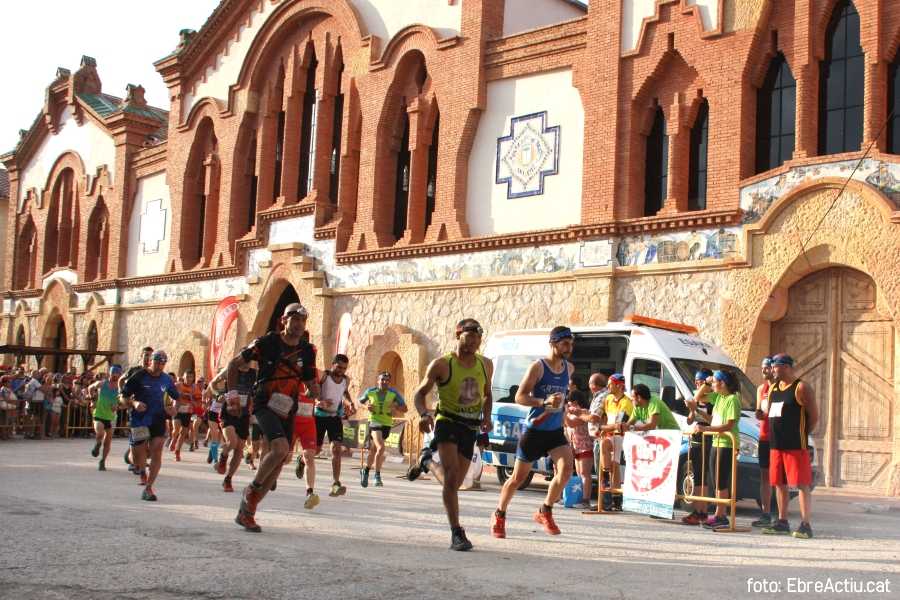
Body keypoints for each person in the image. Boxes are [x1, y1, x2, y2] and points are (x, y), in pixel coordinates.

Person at [229, 302, 319, 532]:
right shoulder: (266, 343)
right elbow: (234, 365)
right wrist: (232, 398)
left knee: (280, 463)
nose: (298, 324)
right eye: (294, 319)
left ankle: (247, 512)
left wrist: (315, 390)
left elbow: (310, 381)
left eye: (302, 320)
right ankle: (251, 489)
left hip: (288, 408)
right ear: (284, 320)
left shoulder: (308, 351)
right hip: (264, 403)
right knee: (278, 449)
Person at [409, 318, 493, 551]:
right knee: (452, 474)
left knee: (455, 483)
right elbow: (420, 393)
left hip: (470, 426)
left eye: (477, 337)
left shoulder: (486, 364)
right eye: (469, 337)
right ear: (458, 336)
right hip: (447, 421)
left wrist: (487, 417)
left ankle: (427, 459)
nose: (474, 342)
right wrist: (424, 413)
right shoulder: (442, 364)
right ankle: (457, 532)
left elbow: (487, 394)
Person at [491, 326, 575, 538]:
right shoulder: (538, 367)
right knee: (517, 479)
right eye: (565, 343)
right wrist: (543, 401)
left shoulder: (569, 368)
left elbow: (564, 395)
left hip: (555, 431)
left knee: (566, 471)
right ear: (553, 343)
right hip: (535, 430)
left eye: (571, 343)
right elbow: (519, 396)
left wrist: (567, 409)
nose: (569, 347)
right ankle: (499, 514)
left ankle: (545, 510)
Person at [763, 354, 818, 539]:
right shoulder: (772, 389)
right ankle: (782, 521)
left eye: (775, 366)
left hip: (795, 445)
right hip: (776, 445)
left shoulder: (801, 387)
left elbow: (814, 416)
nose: (772, 370)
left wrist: (801, 434)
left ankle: (805, 524)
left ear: (786, 367)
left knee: (801, 484)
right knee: (779, 483)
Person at [121, 351, 180, 501]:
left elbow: (177, 397)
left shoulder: (166, 379)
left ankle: (149, 488)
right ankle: (140, 469)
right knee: (138, 457)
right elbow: (123, 397)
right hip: (139, 419)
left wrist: (174, 408)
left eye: (163, 363)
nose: (160, 366)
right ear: (150, 361)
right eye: (157, 362)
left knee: (157, 449)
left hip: (158, 418)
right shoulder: (139, 376)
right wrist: (134, 403)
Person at [690, 370, 742, 530]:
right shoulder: (719, 397)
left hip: (727, 444)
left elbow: (729, 425)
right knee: (715, 480)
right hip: (716, 442)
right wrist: (705, 383)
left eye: (714, 382)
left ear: (723, 383)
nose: (712, 385)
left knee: (721, 481)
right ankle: (719, 514)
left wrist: (706, 429)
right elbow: (696, 399)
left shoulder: (733, 399)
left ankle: (721, 515)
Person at [314, 354, 355, 497]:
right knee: (316, 450)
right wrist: (320, 400)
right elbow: (314, 390)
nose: (341, 371)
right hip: (319, 416)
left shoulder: (345, 379)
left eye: (344, 368)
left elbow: (344, 392)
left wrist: (350, 403)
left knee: (336, 449)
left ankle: (336, 483)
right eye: (339, 367)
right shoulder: (325, 376)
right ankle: (302, 460)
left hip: (334, 417)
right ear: (333, 364)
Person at [358, 372, 407, 488]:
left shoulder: (394, 393)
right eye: (382, 380)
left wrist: (395, 407)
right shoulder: (370, 392)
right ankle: (377, 476)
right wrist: (366, 407)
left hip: (386, 423)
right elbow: (359, 402)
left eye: (387, 380)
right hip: (374, 421)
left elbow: (405, 408)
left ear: (389, 382)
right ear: (377, 381)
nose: (384, 382)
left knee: (374, 450)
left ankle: (365, 470)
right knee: (381, 447)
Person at [214, 360, 256, 492]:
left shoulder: (254, 373)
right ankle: (223, 458)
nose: (247, 362)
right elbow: (212, 384)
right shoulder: (230, 370)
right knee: (232, 442)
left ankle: (228, 479)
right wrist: (219, 394)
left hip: (243, 415)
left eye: (249, 359)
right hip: (228, 413)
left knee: (239, 449)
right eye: (245, 358)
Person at [681, 369, 717, 525]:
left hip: (707, 436)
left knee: (704, 475)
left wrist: (699, 411)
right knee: (697, 475)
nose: (697, 384)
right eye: (695, 381)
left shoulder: (712, 398)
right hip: (695, 436)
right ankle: (697, 510)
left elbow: (712, 419)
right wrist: (693, 411)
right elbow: (689, 420)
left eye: (700, 381)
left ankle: (703, 511)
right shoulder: (695, 396)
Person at [596, 373, 632, 511]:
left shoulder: (626, 402)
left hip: (622, 436)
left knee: (615, 466)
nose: (607, 386)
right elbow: (604, 417)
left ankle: (617, 500)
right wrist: (603, 427)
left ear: (618, 385)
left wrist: (603, 428)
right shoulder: (608, 398)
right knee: (604, 445)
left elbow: (619, 424)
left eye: (610, 384)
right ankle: (605, 478)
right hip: (610, 434)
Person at [121, 347, 154, 470]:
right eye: (146, 355)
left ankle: (134, 456)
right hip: (136, 409)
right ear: (141, 356)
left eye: (150, 356)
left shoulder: (153, 372)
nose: (148, 358)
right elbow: (121, 380)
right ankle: (135, 461)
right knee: (139, 439)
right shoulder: (134, 370)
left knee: (148, 442)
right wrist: (124, 395)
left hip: (150, 410)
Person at [752, 357, 776, 527]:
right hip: (763, 436)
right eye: (762, 367)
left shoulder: (779, 387)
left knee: (778, 478)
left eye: (766, 367)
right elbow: (759, 410)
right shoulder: (761, 388)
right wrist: (758, 414)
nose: (763, 371)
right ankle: (765, 513)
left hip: (777, 437)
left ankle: (781, 516)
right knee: (764, 476)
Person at [564, 388, 594, 510]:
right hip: (576, 447)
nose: (568, 405)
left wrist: (564, 413)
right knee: (579, 474)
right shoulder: (572, 413)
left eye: (569, 402)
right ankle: (578, 498)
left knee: (585, 474)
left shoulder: (584, 412)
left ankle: (586, 500)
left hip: (585, 446)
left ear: (575, 402)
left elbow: (571, 424)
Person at [88, 365, 122, 471]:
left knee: (108, 441)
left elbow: (122, 401)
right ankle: (98, 444)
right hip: (99, 414)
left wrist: (117, 406)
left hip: (111, 417)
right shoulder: (102, 383)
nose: (114, 378)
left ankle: (102, 461)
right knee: (100, 433)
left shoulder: (120, 388)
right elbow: (90, 388)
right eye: (113, 375)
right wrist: (93, 399)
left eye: (116, 376)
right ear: (110, 374)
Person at [171, 372, 198, 461]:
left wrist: (192, 400)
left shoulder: (195, 388)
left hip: (187, 412)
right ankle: (173, 439)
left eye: (190, 377)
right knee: (176, 430)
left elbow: (197, 401)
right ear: (183, 377)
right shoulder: (178, 385)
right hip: (177, 410)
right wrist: (181, 395)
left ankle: (177, 451)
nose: (188, 379)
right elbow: (172, 394)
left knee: (183, 433)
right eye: (187, 377)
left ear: (193, 378)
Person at [203, 377, 223, 465]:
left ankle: (212, 452)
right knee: (215, 435)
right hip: (213, 413)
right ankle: (215, 459)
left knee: (219, 438)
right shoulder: (213, 384)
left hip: (223, 414)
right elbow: (205, 395)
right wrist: (206, 402)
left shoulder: (229, 384)